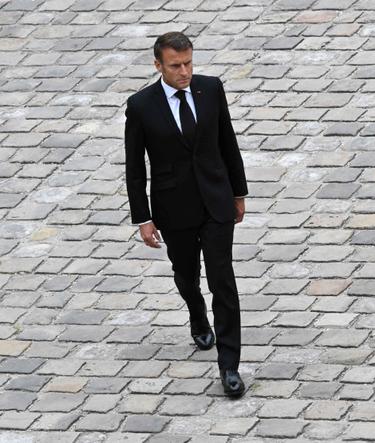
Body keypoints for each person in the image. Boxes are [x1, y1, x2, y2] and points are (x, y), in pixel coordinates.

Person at [124, 31, 248, 397]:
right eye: (176, 65)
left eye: (189, 63)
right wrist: (143, 218)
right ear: (158, 65)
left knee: (222, 279)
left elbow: (228, 141)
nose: (185, 71)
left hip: (216, 201)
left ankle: (229, 367)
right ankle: (196, 312)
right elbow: (135, 168)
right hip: (173, 207)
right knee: (186, 274)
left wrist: (238, 192)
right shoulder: (141, 106)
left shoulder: (210, 89)